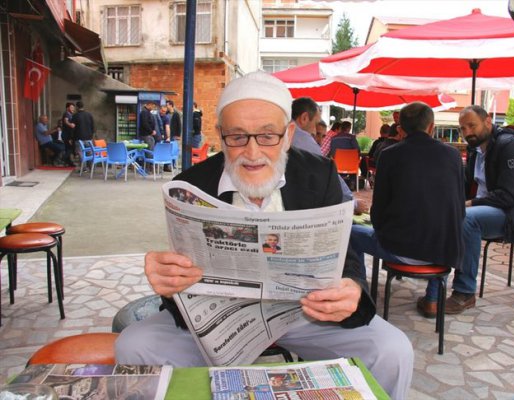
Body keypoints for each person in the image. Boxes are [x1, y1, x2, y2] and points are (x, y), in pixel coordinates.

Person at [115, 71, 413, 399]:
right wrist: (169, 282)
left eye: (268, 136)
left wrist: (352, 288)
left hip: (304, 312)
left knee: (393, 351)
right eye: (238, 136)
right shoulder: (193, 183)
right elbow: (181, 287)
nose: (253, 153)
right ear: (221, 135)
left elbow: (346, 256)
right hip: (219, 317)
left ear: (287, 135)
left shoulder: (319, 174)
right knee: (135, 346)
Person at [350, 102, 465, 316]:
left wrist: (380, 229)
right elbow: (459, 204)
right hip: (445, 250)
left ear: (400, 127)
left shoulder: (390, 154)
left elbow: (380, 208)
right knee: (446, 229)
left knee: (349, 234)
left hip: (400, 248)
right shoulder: (453, 156)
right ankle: (432, 299)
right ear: (431, 127)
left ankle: (359, 295)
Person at [442, 105, 514, 315]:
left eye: (472, 125)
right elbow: (465, 186)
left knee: (467, 218)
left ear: (487, 122)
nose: (467, 132)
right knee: (445, 213)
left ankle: (464, 293)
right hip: (488, 210)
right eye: (463, 128)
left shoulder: (510, 146)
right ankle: (434, 286)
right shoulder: (475, 150)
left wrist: (470, 204)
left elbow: (509, 196)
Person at [61, 102, 76, 166]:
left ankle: (68, 162)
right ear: (67, 108)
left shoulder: (70, 114)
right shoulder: (67, 114)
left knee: (68, 148)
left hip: (67, 134)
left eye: (73, 108)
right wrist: (70, 125)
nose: (73, 109)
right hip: (67, 135)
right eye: (71, 107)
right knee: (71, 148)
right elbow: (65, 121)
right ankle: (63, 158)